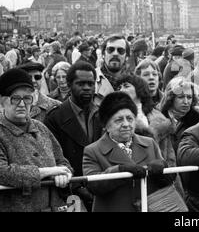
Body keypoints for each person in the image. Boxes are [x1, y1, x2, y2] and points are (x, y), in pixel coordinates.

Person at [82, 92, 172, 212]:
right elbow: (93, 185)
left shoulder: (149, 143)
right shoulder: (93, 150)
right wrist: (120, 170)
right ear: (106, 125)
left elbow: (166, 181)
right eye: (119, 120)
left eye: (130, 119)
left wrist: (163, 170)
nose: (126, 124)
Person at [0, 68, 73, 212]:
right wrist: (46, 172)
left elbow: (62, 162)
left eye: (27, 98)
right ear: (2, 101)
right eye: (15, 98)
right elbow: (3, 172)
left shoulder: (40, 128)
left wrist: (64, 174)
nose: (22, 104)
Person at [44, 61, 103, 211]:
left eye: (90, 83)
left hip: (101, 187)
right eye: (81, 83)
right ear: (69, 85)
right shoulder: (55, 117)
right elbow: (53, 158)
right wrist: (77, 187)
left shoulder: (102, 114)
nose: (87, 88)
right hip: (70, 192)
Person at [160, 77, 199, 153]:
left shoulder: (198, 122)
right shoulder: (158, 117)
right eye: (181, 97)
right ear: (171, 98)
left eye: (189, 97)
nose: (186, 102)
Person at [95, 35, 131, 106]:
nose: (115, 54)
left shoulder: (134, 83)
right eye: (110, 50)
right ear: (103, 54)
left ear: (126, 57)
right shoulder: (91, 79)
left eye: (120, 51)